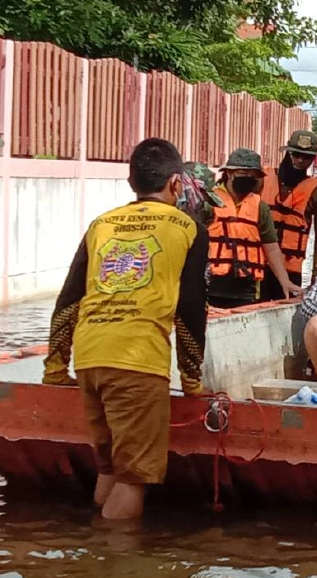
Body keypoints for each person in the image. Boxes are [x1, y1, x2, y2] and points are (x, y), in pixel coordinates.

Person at [42, 138, 209, 521]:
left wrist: (55, 370)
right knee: (134, 478)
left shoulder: (101, 223)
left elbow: (69, 299)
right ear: (177, 184)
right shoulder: (188, 227)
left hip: (89, 357)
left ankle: (93, 554)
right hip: (137, 361)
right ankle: (116, 569)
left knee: (110, 469)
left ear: (131, 181)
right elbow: (189, 310)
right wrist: (192, 383)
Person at [206, 148, 299, 308]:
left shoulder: (260, 207)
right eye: (243, 173)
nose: (248, 178)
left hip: (247, 288)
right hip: (209, 286)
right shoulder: (208, 202)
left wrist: (285, 281)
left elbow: (272, 249)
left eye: (253, 175)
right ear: (229, 173)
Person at [267, 131, 317, 299]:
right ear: (288, 153)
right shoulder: (264, 178)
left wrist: (316, 279)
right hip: (259, 268)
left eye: (307, 157)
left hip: (291, 270)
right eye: (296, 155)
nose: (300, 161)